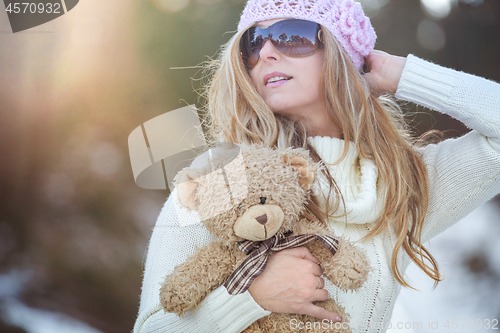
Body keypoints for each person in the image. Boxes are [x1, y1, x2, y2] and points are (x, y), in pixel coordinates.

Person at [133, 0, 500, 332]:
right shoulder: (216, 182)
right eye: (253, 43)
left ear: (340, 52)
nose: (267, 53)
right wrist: (250, 298)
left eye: (291, 35)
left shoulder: (408, 185)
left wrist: (403, 75)